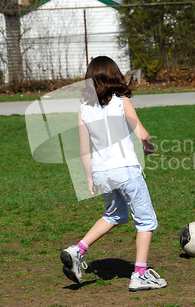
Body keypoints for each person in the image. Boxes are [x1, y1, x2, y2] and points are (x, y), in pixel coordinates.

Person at [60, 56, 167, 291]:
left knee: (114, 215)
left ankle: (77, 250)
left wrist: (89, 178)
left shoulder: (84, 109)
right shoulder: (121, 101)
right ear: (115, 75)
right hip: (126, 170)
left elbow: (83, 149)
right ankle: (140, 275)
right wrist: (148, 146)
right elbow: (142, 133)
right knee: (146, 221)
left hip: (102, 174)